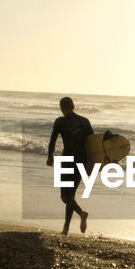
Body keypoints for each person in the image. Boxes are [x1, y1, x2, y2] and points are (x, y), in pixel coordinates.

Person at [47, 96, 92, 235]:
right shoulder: (84, 121)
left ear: (62, 108)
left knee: (65, 197)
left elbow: (52, 140)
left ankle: (81, 213)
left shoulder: (60, 121)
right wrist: (92, 164)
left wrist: (50, 156)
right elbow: (92, 144)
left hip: (67, 160)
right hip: (82, 160)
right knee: (71, 195)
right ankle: (65, 228)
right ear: (73, 106)